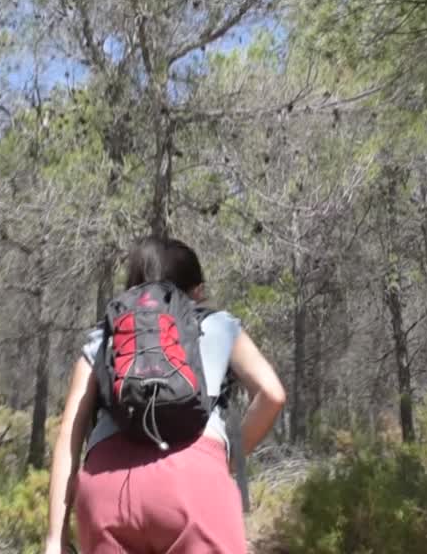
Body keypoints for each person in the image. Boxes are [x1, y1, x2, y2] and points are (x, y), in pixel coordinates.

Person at [44, 236, 286, 554]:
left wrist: (54, 538)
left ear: (130, 286)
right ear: (197, 291)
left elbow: (69, 436)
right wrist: (222, 464)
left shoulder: (103, 336)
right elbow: (272, 395)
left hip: (106, 489)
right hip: (195, 485)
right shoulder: (220, 325)